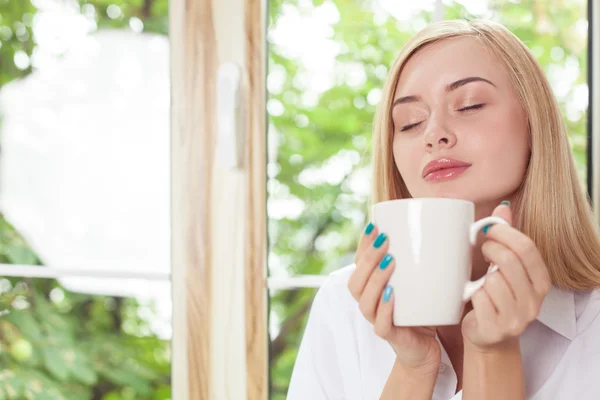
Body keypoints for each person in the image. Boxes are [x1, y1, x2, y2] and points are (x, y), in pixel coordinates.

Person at [286, 19, 600, 400]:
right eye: (410, 122)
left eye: (470, 105)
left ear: (535, 125)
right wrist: (413, 366)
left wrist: (492, 354)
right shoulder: (342, 307)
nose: (434, 133)